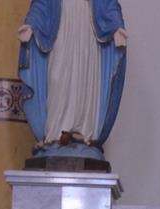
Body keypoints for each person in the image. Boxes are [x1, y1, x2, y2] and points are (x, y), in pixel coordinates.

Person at [18, 0, 127, 150]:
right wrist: (31, 24)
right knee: (57, 76)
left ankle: (83, 131)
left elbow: (108, 3)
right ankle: (55, 133)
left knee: (84, 79)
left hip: (86, 27)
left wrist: (116, 26)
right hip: (61, 24)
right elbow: (42, 4)